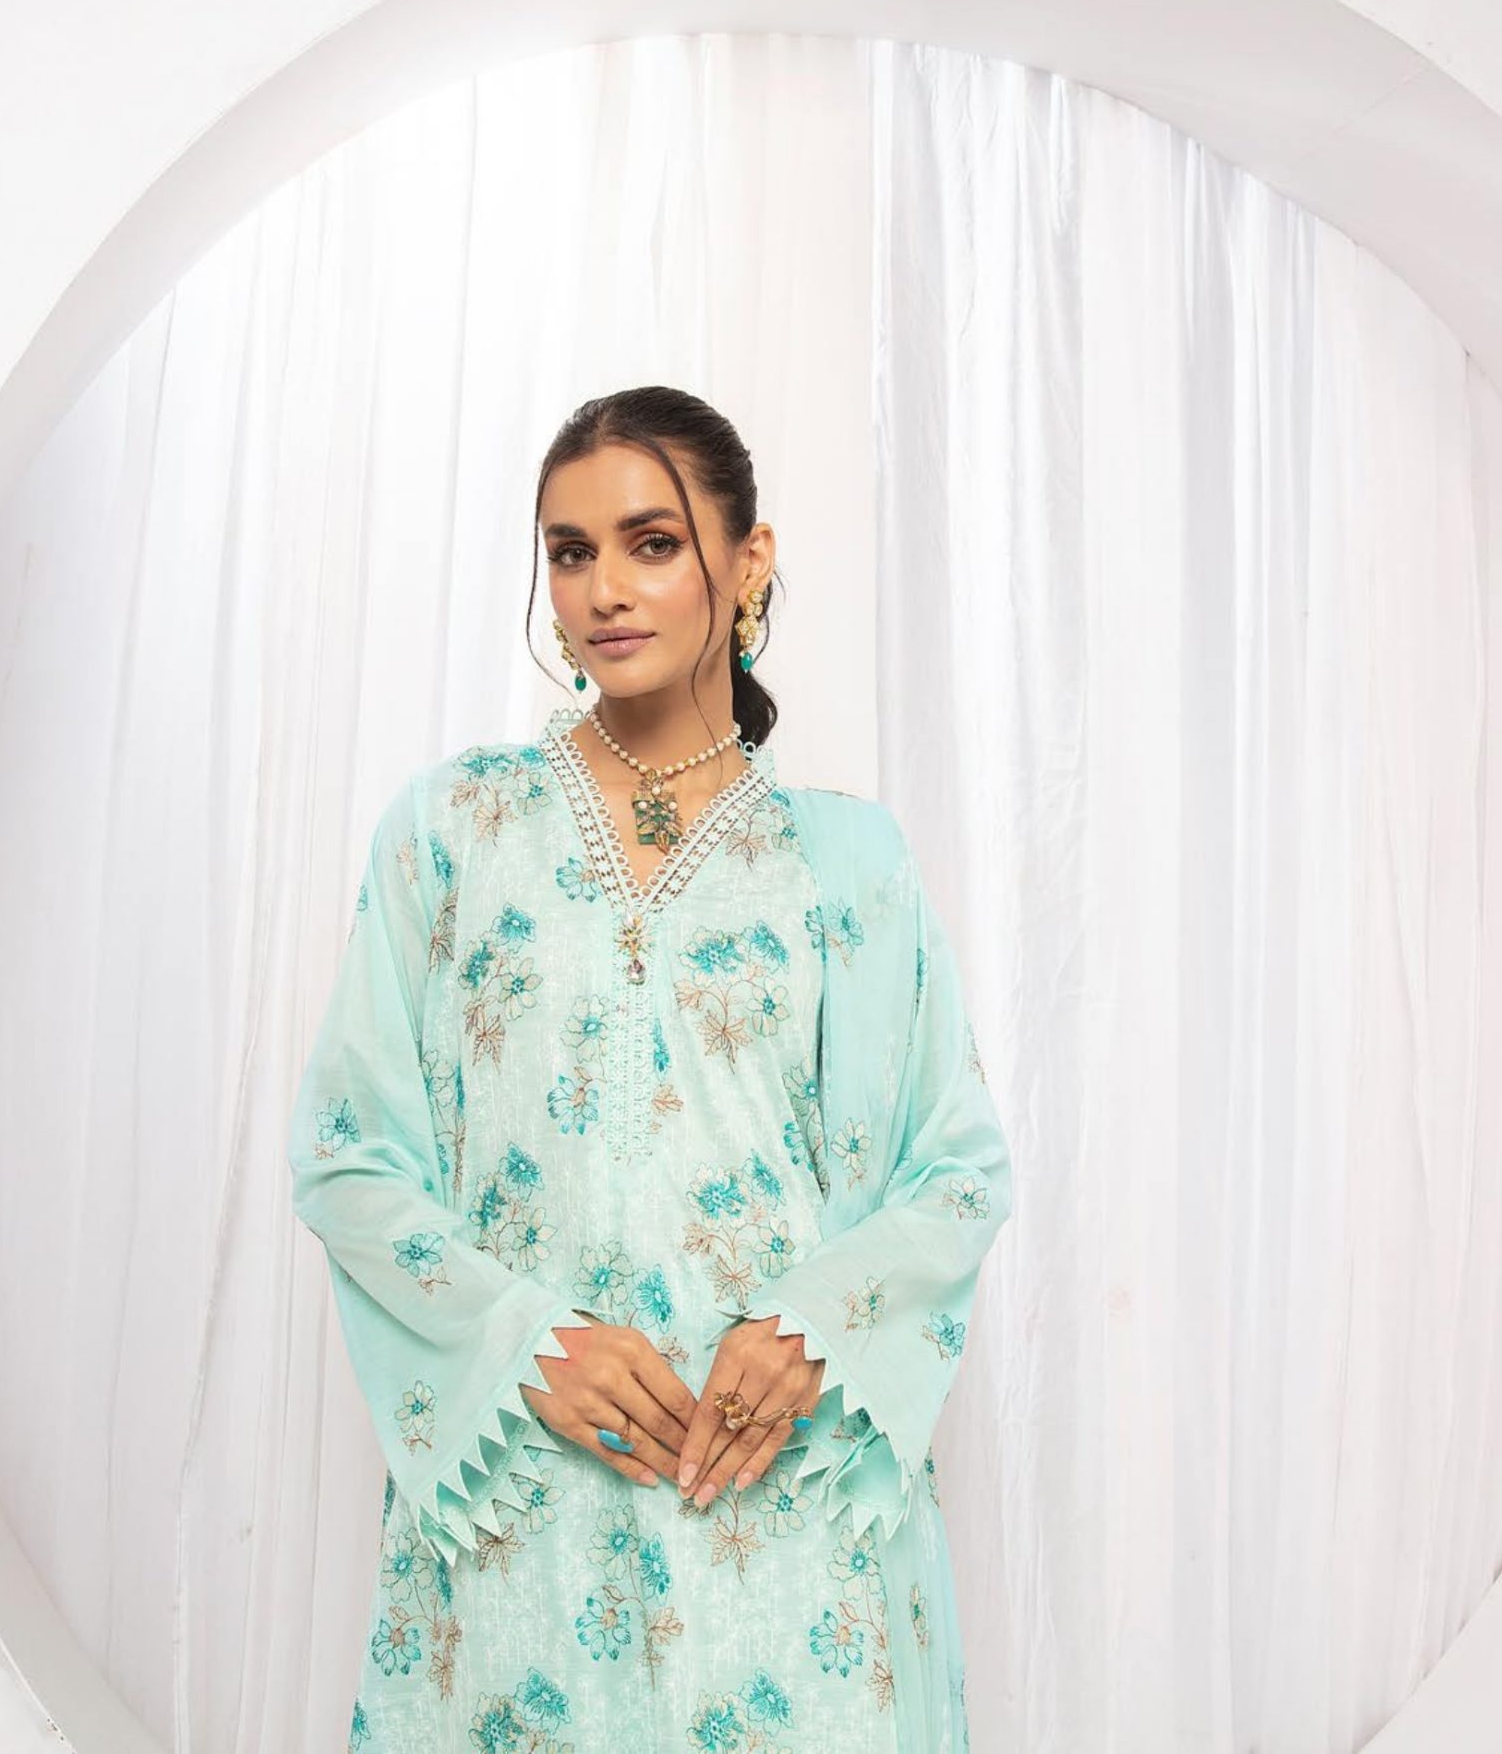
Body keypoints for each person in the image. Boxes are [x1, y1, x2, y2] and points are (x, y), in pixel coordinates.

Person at [287, 384, 1014, 1752]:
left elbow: (957, 1166)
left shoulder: (846, 861)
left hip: (782, 1515)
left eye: (652, 542)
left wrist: (813, 1326)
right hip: (526, 1510)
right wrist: (523, 1342)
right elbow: (346, 1153)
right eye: (571, 552)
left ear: (749, 563)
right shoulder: (454, 832)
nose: (604, 589)